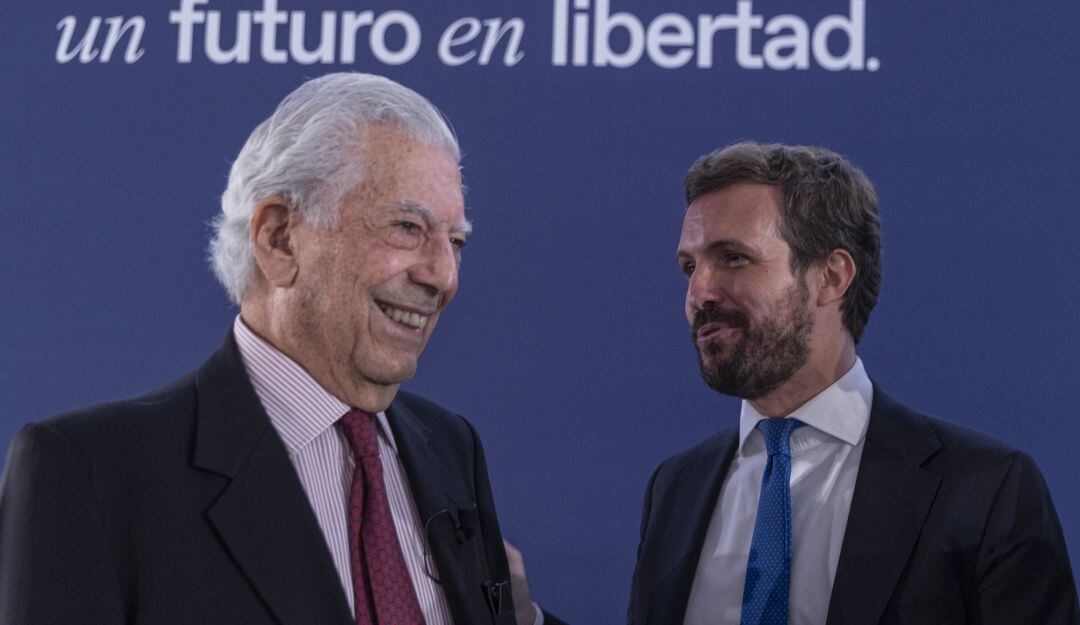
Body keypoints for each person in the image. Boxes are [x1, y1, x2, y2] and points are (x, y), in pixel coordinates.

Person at [0, 72, 560, 625]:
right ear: (279, 239)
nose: (444, 276)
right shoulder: (92, 474)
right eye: (407, 227)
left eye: (455, 241)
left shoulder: (451, 448)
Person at [627, 142, 1079, 625]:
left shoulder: (986, 490)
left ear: (831, 276)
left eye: (733, 257)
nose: (698, 293)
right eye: (690, 267)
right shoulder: (674, 490)